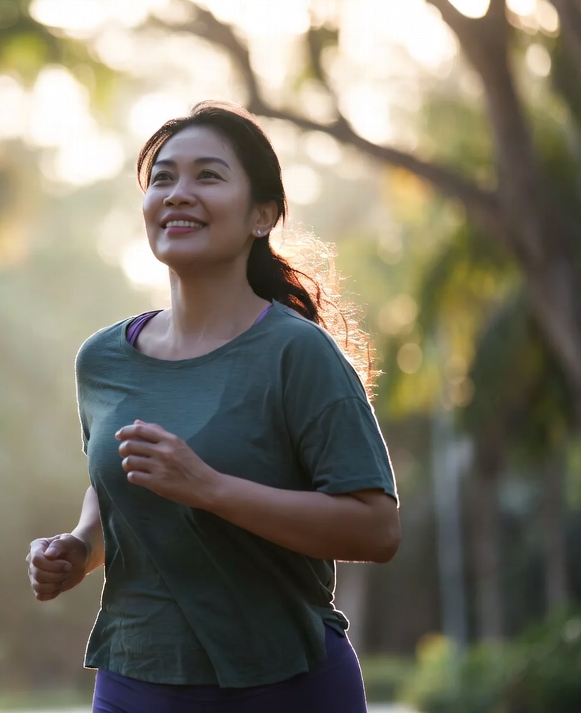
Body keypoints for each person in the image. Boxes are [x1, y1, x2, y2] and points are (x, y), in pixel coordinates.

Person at [26, 101, 400, 712]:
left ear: (262, 216)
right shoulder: (102, 360)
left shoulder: (297, 353)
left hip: (285, 685)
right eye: (163, 178)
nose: (178, 193)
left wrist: (211, 488)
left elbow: (377, 529)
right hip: (136, 679)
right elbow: (119, 484)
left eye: (208, 175)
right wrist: (80, 547)